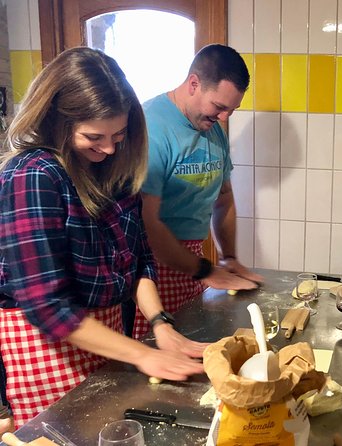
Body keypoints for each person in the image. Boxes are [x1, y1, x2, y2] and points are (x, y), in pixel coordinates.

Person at [0, 47, 207, 428]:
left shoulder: (113, 168)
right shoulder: (34, 176)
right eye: (94, 136)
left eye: (119, 134)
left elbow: (140, 257)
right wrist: (142, 355)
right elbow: (47, 306)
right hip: (47, 347)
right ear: (56, 122)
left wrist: (160, 323)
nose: (110, 147)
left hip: (108, 332)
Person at [133, 44, 261, 340]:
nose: (225, 117)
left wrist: (228, 257)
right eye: (219, 106)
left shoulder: (210, 126)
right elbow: (149, 224)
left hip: (194, 261)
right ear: (194, 84)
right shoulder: (151, 128)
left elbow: (224, 196)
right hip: (154, 267)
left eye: (231, 109)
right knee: (161, 351)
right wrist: (205, 271)